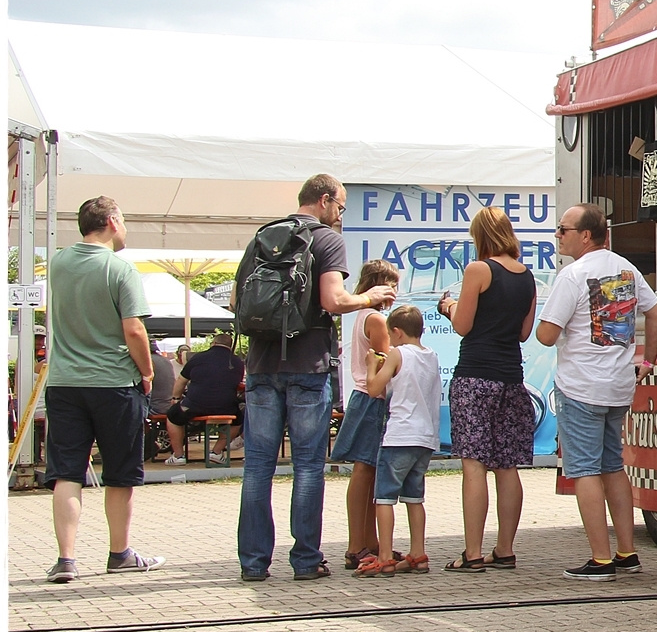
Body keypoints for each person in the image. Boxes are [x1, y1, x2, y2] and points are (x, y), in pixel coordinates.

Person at [233, 174, 395, 582]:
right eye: (340, 207)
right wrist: (369, 298)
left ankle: (253, 564)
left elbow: (237, 301)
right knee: (306, 467)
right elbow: (333, 300)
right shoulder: (326, 240)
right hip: (307, 367)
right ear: (324, 201)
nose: (340, 215)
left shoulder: (263, 238)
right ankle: (305, 561)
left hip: (261, 366)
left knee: (257, 469)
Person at [536, 203, 657, 581]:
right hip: (619, 383)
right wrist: (649, 362)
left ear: (585, 235)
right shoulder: (626, 269)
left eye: (563, 229)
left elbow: (546, 335)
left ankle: (600, 559)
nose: (558, 235)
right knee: (613, 466)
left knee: (584, 470)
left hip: (581, 384)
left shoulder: (573, 275)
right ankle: (627, 552)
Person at [41, 196, 165, 582]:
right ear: (112, 221)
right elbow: (134, 328)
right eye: (124, 221)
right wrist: (147, 371)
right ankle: (119, 553)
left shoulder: (57, 264)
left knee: (67, 472)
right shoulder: (120, 269)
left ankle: (66, 559)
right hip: (113, 383)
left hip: (64, 382)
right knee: (120, 473)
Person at [437, 206, 538, 574]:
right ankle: (505, 549)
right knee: (506, 464)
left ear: (480, 236)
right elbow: (525, 333)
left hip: (475, 375)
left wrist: (448, 306)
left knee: (474, 463)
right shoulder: (527, 277)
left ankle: (473, 552)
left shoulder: (478, 269)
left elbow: (463, 325)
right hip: (512, 377)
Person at [357, 305, 440, 577]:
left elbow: (373, 388)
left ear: (397, 332)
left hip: (399, 434)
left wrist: (372, 365)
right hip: (425, 437)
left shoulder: (397, 353)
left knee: (384, 497)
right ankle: (418, 553)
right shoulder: (431, 356)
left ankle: (384, 555)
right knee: (415, 498)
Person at [333, 259, 400, 569]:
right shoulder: (376, 319)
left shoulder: (361, 315)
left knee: (368, 471)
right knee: (364, 471)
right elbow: (385, 364)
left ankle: (369, 542)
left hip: (363, 396)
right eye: (392, 285)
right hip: (372, 398)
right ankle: (357, 544)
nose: (395, 292)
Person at [164, 333, 245, 464]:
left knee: (172, 416)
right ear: (231, 347)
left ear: (212, 343)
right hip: (226, 406)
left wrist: (176, 398)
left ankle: (178, 456)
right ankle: (216, 452)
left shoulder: (198, 358)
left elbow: (181, 381)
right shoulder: (237, 362)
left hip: (194, 405)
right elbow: (237, 383)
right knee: (238, 419)